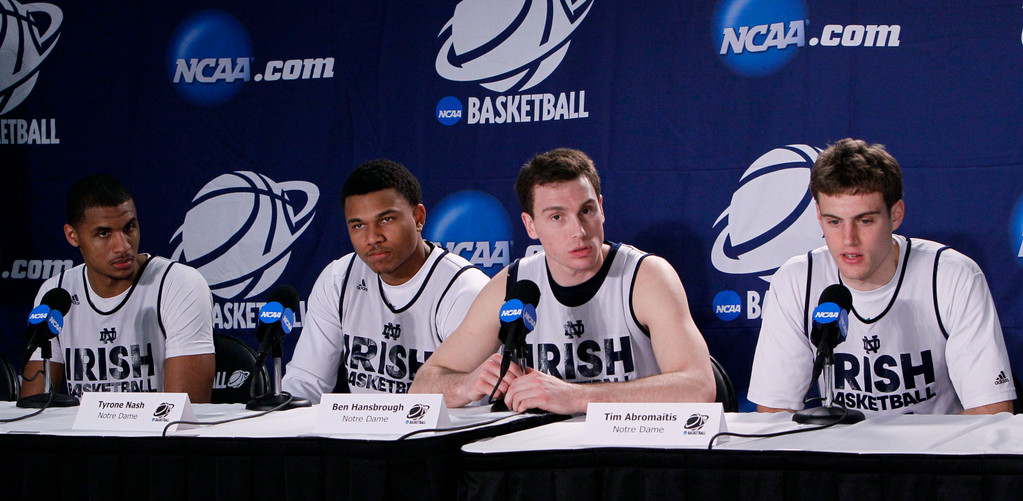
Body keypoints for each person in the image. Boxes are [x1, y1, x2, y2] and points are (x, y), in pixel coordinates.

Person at [410, 148, 715, 414]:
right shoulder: (513, 284)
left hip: (631, 456)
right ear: (530, 225)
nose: (579, 231)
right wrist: (466, 385)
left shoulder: (645, 276)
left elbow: (698, 387)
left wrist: (577, 397)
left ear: (601, 208)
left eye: (586, 211)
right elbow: (423, 385)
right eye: (557, 217)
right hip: (546, 464)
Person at [749, 138, 1016, 416]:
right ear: (818, 215)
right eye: (834, 221)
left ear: (896, 214)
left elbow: (991, 410)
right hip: (839, 454)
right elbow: (774, 411)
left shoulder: (952, 275)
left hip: (933, 452)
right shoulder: (796, 280)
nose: (848, 240)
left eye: (865, 221)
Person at [282, 159, 489, 401]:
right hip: (359, 433)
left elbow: (475, 400)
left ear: (418, 218)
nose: (373, 238)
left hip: (438, 434)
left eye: (386, 219)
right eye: (358, 225)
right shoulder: (339, 278)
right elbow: (306, 381)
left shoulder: (465, 289)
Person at [22, 175, 215, 403]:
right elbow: (33, 411)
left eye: (129, 228)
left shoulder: (179, 284)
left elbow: (185, 411)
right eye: (104, 233)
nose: (123, 246)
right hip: (81, 437)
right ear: (72, 236)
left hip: (154, 436)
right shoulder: (56, 292)